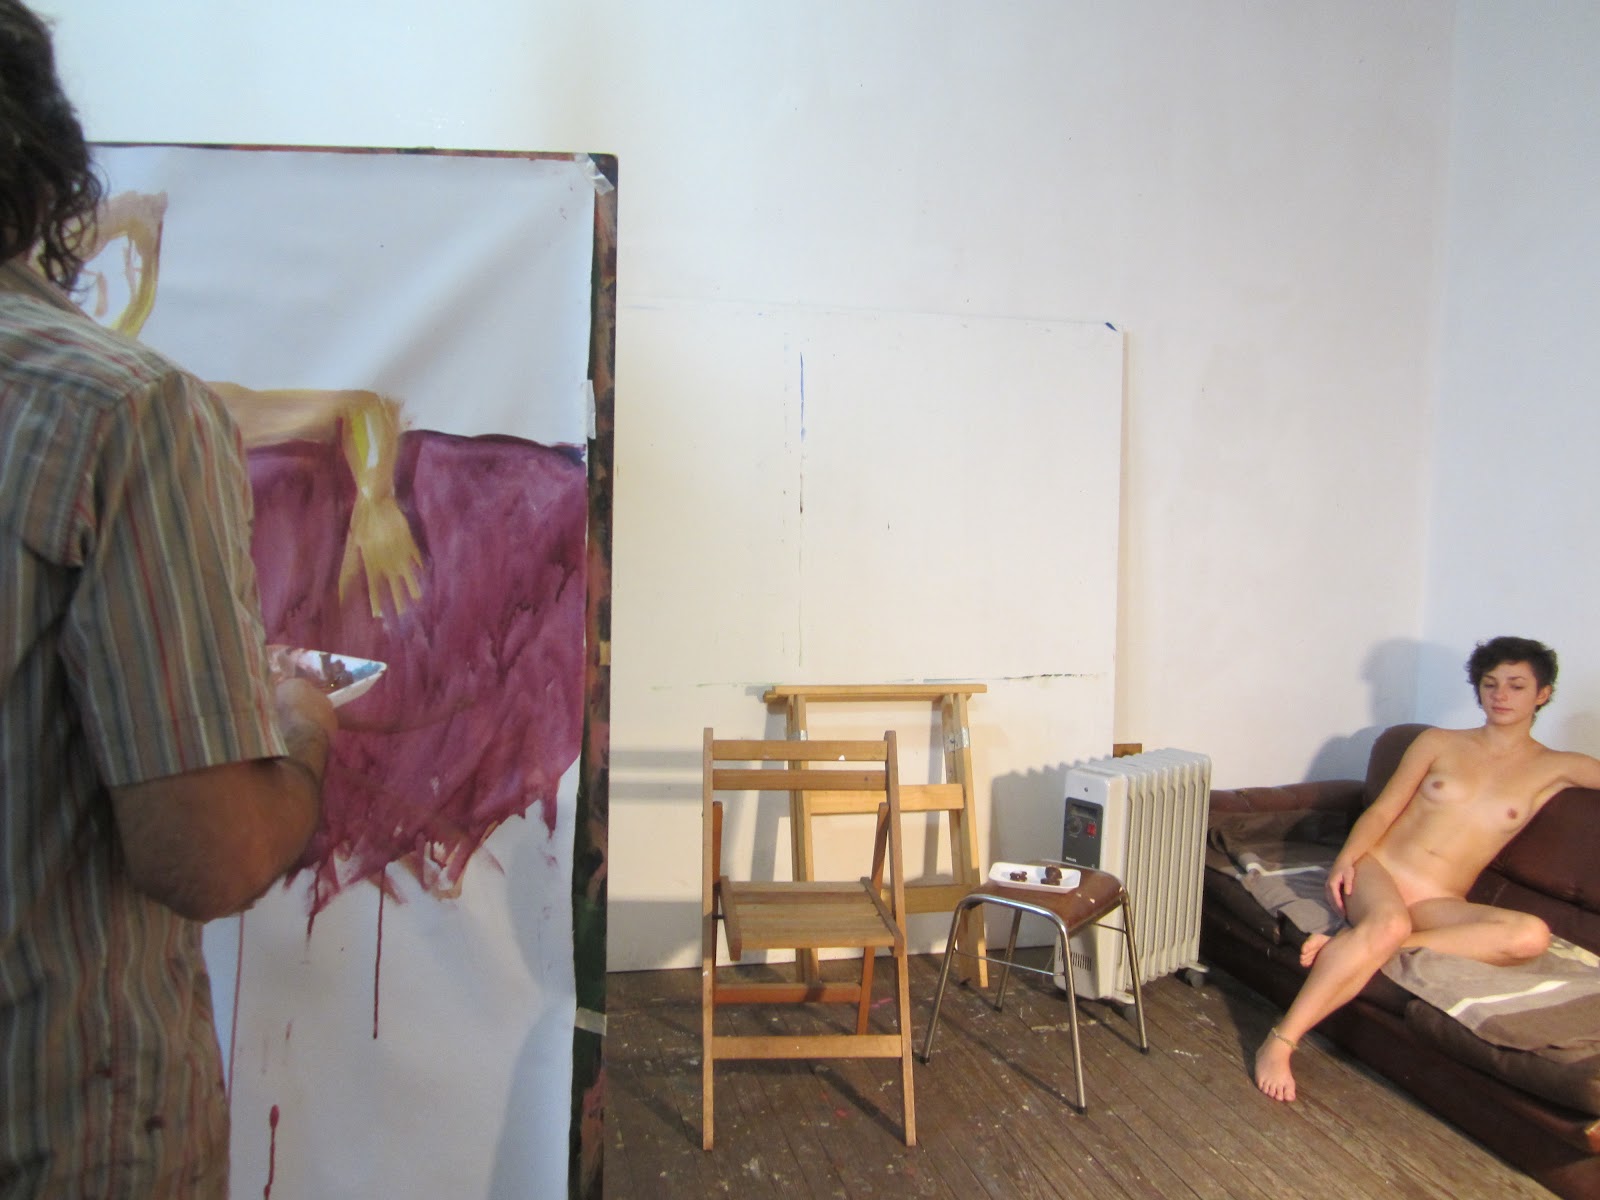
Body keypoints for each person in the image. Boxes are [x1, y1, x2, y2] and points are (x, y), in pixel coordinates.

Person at [0, 3, 337, 1195]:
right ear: (41, 169)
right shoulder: (118, 410)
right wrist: (297, 735)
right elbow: (207, 853)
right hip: (62, 1130)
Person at [1255, 635, 1600, 1102]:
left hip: (1438, 900)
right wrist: (1347, 860)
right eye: (1490, 683)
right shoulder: (1438, 742)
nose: (1500, 695)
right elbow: (1382, 810)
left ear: (1543, 694)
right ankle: (1281, 1041)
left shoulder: (1557, 767)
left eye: (1516, 686)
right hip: (1381, 871)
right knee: (1389, 922)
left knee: (1530, 936)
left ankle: (1354, 945)